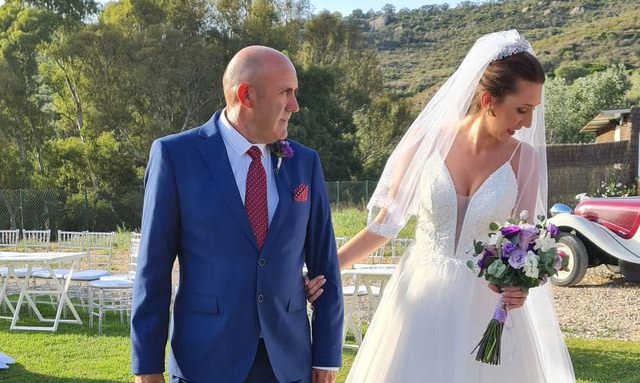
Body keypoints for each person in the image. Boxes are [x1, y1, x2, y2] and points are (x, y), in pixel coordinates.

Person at [308, 30, 575, 382]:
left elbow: (523, 240)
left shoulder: (524, 160)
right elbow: (384, 226)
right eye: (521, 109)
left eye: (532, 111)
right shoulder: (426, 142)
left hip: (484, 309)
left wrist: (519, 287)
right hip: (421, 299)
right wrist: (328, 268)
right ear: (487, 100)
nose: (527, 123)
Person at [131, 46, 343, 383]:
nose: (295, 105)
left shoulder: (304, 163)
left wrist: (327, 356)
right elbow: (152, 271)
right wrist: (147, 366)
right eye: (285, 92)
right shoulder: (175, 156)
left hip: (288, 364)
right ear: (246, 95)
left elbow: (326, 267)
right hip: (204, 360)